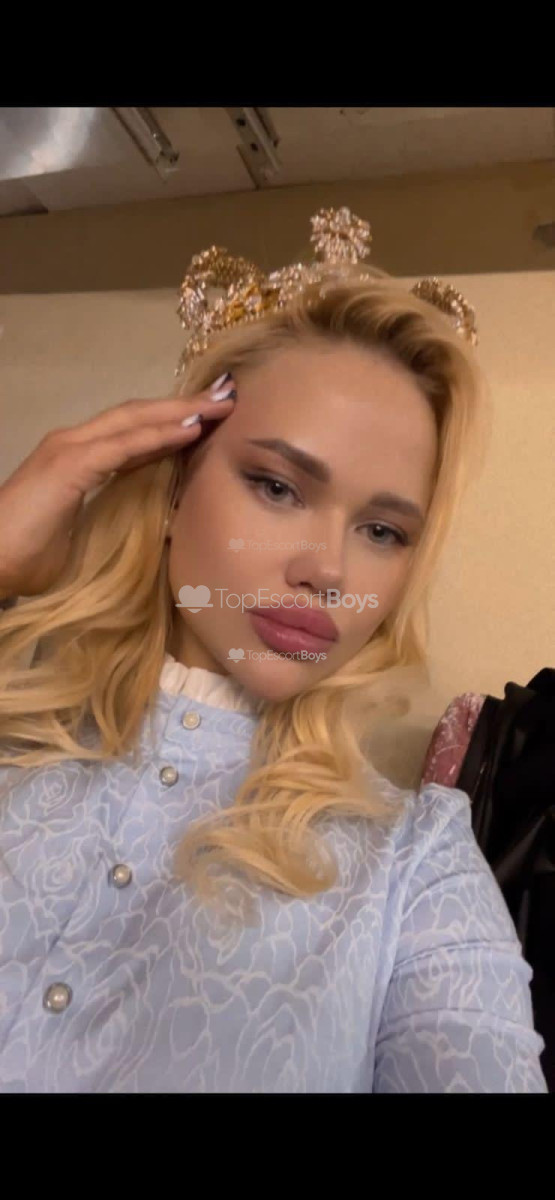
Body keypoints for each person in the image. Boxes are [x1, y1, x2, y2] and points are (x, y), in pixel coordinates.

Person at [0, 207, 547, 1093]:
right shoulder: (13, 726)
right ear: (174, 485)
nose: (327, 569)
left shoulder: (413, 865)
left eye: (382, 530)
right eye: (277, 486)